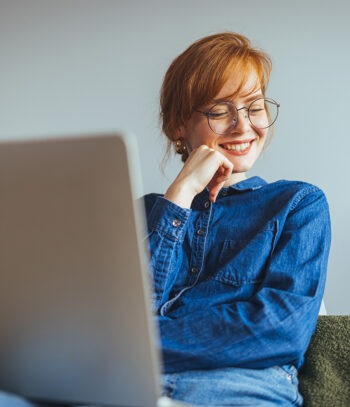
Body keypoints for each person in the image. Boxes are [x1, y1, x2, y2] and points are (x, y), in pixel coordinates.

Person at [142, 32, 331, 406]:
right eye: (218, 110)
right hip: (134, 386)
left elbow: (280, 331)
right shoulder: (147, 212)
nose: (243, 126)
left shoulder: (298, 204)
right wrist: (179, 196)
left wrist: (136, 342)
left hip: (238, 389)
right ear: (178, 126)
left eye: (254, 106)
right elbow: (123, 312)